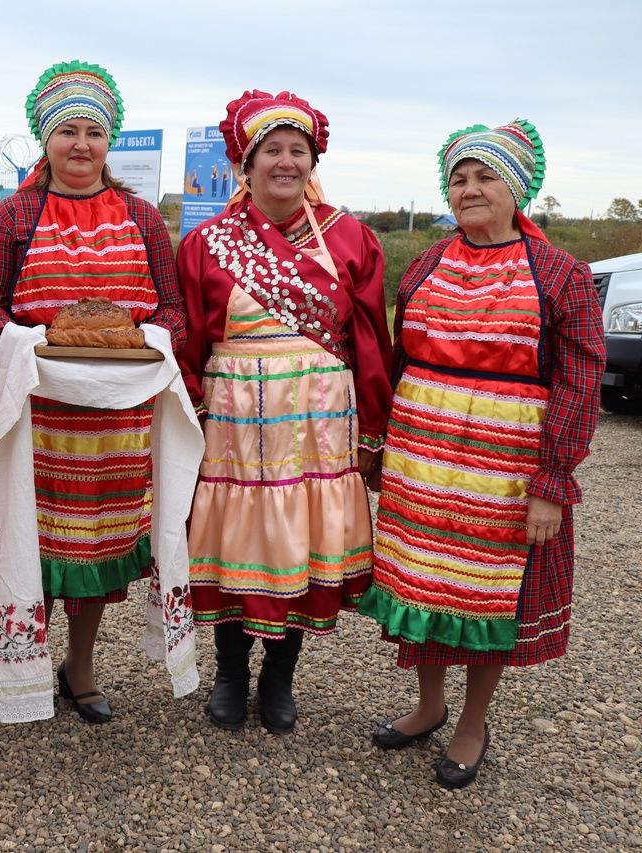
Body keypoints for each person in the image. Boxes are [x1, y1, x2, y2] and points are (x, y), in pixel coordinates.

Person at [358, 120, 605, 789]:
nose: (469, 189)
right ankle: (429, 704)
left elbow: (580, 383)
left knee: (487, 595)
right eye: (459, 178)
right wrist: (378, 446)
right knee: (423, 584)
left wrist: (552, 480)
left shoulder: (560, 274)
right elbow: (399, 357)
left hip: (504, 469)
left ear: (516, 189)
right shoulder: (429, 262)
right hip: (422, 458)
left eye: (485, 176)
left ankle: (472, 720)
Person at [0, 61, 187, 724]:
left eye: (94, 130)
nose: (82, 144)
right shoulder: (14, 216)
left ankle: (80, 665)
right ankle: (28, 664)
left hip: (119, 423)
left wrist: (141, 339)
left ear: (109, 141)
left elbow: (174, 312)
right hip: (39, 416)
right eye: (68, 130)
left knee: (97, 547)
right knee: (37, 539)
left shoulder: (143, 219)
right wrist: (28, 340)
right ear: (45, 139)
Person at [177, 90, 392, 734]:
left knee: (298, 537)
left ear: (313, 161)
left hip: (317, 420)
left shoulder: (352, 237)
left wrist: (374, 431)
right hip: (235, 417)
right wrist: (186, 418)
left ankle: (279, 676)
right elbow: (189, 336)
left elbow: (371, 341)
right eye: (272, 150)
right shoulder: (206, 244)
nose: (286, 162)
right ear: (245, 165)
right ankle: (229, 670)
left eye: (298, 150)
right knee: (238, 536)